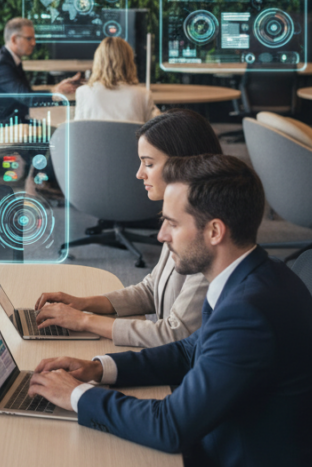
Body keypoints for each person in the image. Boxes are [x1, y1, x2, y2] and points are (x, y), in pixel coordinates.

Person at [27, 155, 312, 467]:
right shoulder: (257, 274)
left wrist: (74, 395)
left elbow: (171, 426)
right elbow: (189, 349)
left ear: (214, 231)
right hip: (247, 455)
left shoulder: (251, 311)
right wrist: (98, 368)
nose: (162, 236)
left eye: (171, 224)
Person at [34, 109, 216, 347]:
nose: (139, 174)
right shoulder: (178, 214)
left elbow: (174, 335)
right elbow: (152, 289)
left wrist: (84, 321)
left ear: (182, 163)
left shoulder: (204, 234)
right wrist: (83, 304)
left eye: (148, 164)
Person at [0, 18, 82, 126]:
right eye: (29, 38)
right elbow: (27, 98)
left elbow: (26, 93)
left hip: (15, 120)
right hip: (2, 127)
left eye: (34, 38)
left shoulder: (10, 59)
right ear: (14, 39)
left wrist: (56, 89)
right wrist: (55, 91)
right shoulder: (1, 65)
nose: (34, 43)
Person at [72, 36, 158, 122]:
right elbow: (153, 131)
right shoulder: (143, 95)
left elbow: (79, 131)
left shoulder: (83, 93)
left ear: (98, 62)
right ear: (129, 62)